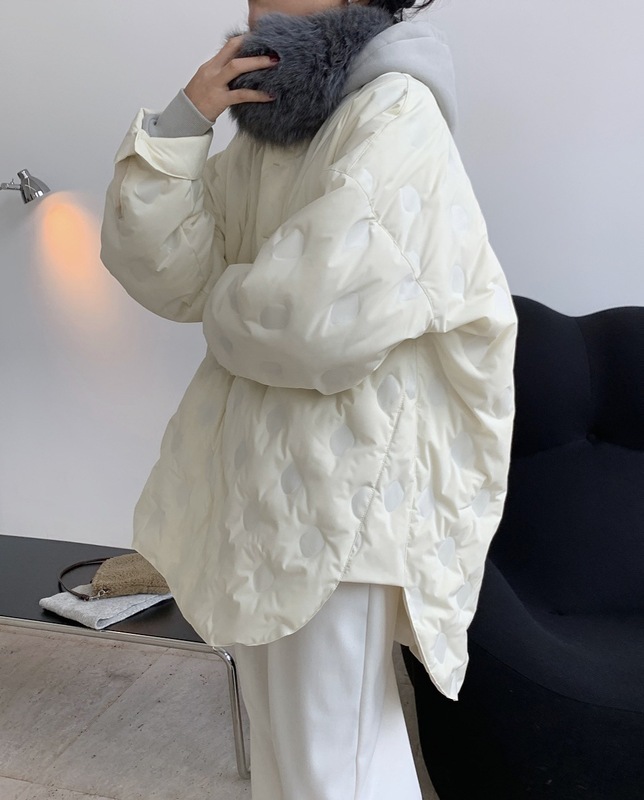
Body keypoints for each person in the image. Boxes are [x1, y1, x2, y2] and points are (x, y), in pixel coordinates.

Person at [100, 1, 518, 797]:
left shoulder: (397, 108)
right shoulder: (276, 127)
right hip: (264, 485)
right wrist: (186, 123)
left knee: (336, 763)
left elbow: (320, 317)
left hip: (349, 490)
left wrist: (225, 302)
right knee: (288, 759)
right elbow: (171, 272)